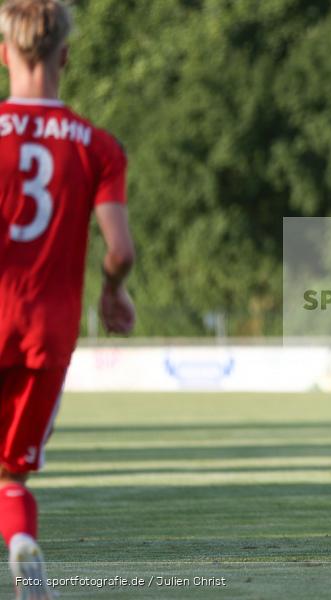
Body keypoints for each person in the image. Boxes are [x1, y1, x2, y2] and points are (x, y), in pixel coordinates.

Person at [0, 1, 135, 596]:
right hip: (48, 330)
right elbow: (120, 249)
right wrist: (112, 291)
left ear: (5, 53)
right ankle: (22, 542)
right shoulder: (96, 146)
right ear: (66, 56)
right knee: (12, 467)